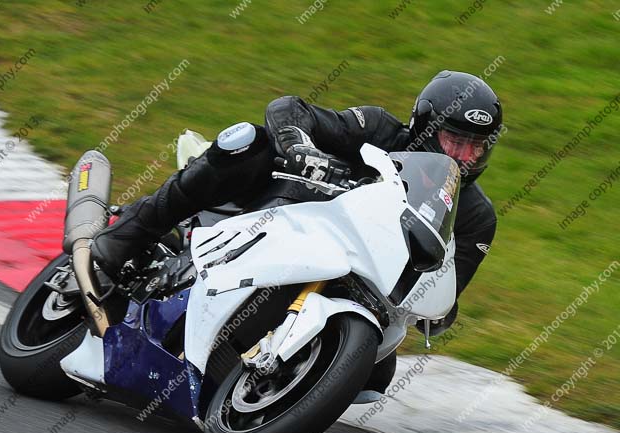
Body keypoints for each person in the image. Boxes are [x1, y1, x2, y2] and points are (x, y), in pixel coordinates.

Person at [91, 70, 502, 398]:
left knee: (375, 376)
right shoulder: (377, 128)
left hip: (365, 283)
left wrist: (440, 309)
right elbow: (292, 109)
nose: (464, 157)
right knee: (247, 141)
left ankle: (281, 383)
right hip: (282, 216)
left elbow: (450, 280)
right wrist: (299, 145)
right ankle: (127, 235)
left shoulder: (477, 218)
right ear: (426, 126)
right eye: (455, 140)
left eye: (476, 146)